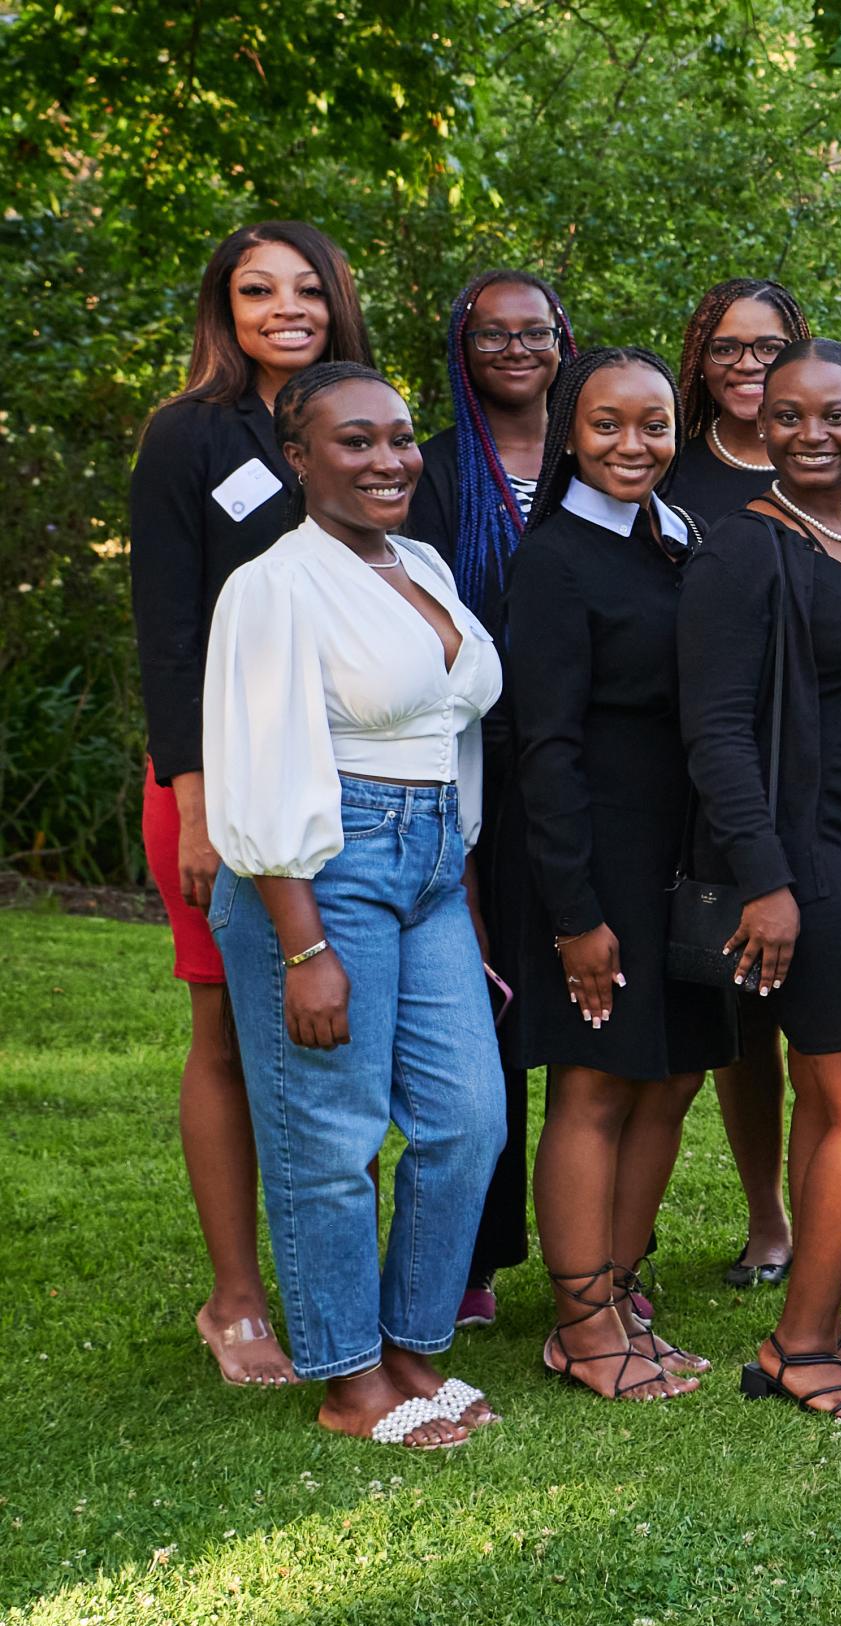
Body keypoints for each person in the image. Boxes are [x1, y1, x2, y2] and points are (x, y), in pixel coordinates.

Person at [199, 361, 507, 1448]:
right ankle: (348, 1377)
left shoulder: (417, 559)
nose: (388, 459)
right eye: (355, 442)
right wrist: (303, 944)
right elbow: (255, 763)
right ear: (299, 457)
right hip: (324, 867)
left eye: (400, 438)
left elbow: (449, 734)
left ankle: (412, 1346)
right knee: (330, 1137)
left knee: (469, 1117)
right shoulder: (273, 585)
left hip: (427, 870)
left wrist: (457, 891)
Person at [128, 220, 372, 1389]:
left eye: (306, 288)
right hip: (224, 778)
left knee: (348, 1029)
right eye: (255, 289)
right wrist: (198, 797)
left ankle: (346, 1281)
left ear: (336, 301)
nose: (285, 307)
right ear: (222, 308)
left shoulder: (365, 418)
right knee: (227, 1025)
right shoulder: (187, 439)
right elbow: (168, 633)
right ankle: (234, 1298)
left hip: (358, 781)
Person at [679, 338, 841, 1420]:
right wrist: (765, 880)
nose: (811, 434)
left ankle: (812, 1331)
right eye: (787, 417)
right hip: (805, 859)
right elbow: (718, 731)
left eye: (835, 415)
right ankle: (800, 1341)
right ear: (758, 427)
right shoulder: (744, 550)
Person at [508, 348, 736, 1401]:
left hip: (678, 861)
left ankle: (620, 1292)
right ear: (570, 433)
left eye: (651, 425)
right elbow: (542, 746)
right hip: (590, 858)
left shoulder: (682, 541)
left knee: (673, 1071)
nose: (632, 445)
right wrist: (573, 915)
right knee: (594, 1083)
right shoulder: (553, 558)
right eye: (607, 425)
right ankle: (581, 1324)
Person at [404, 266, 578, 1330]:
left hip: (590, 766)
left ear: (566, 339)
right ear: (460, 350)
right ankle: (475, 1253)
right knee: (487, 1014)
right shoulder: (426, 471)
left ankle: (601, 1245)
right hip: (471, 770)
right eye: (490, 333)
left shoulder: (603, 444)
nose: (515, 348)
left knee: (595, 1017)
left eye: (535, 330)